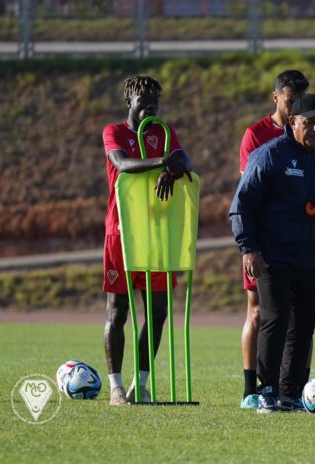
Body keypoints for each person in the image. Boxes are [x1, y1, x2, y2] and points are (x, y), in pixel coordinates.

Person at [230, 94, 315, 413]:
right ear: (292, 122)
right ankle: (266, 391)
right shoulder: (270, 155)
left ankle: (291, 393)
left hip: (308, 257)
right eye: (309, 122)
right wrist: (249, 248)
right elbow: (241, 205)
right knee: (275, 319)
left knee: (303, 327)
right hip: (271, 257)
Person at [102, 75, 192, 405]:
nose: (150, 108)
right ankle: (115, 387)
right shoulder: (114, 132)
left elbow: (187, 161)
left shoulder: (164, 133)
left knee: (158, 313)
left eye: (155, 103)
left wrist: (173, 170)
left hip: (156, 235)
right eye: (143, 103)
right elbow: (122, 164)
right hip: (122, 234)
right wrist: (162, 162)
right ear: (129, 103)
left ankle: (139, 384)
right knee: (118, 312)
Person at [237, 70, 315, 410]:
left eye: (299, 99)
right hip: (264, 243)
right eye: (289, 99)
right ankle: (251, 389)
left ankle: (293, 388)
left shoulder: (310, 134)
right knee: (259, 312)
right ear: (276, 97)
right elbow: (250, 192)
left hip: (297, 246)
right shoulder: (256, 135)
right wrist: (252, 243)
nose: (295, 105)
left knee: (299, 318)